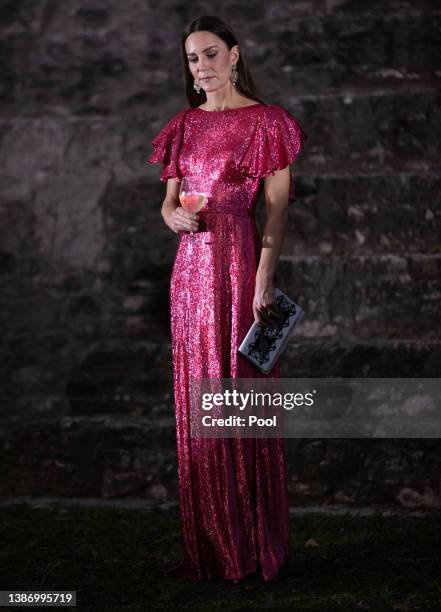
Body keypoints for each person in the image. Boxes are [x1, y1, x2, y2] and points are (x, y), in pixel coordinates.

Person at [146, 15, 307, 583]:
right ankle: (210, 547)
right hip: (190, 270)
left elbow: (278, 207)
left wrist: (265, 276)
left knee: (239, 394)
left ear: (235, 56)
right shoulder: (184, 126)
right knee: (198, 397)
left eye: (211, 54)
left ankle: (251, 545)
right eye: (192, 59)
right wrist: (173, 216)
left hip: (239, 261)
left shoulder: (268, 122)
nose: (201, 67)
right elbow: (168, 204)